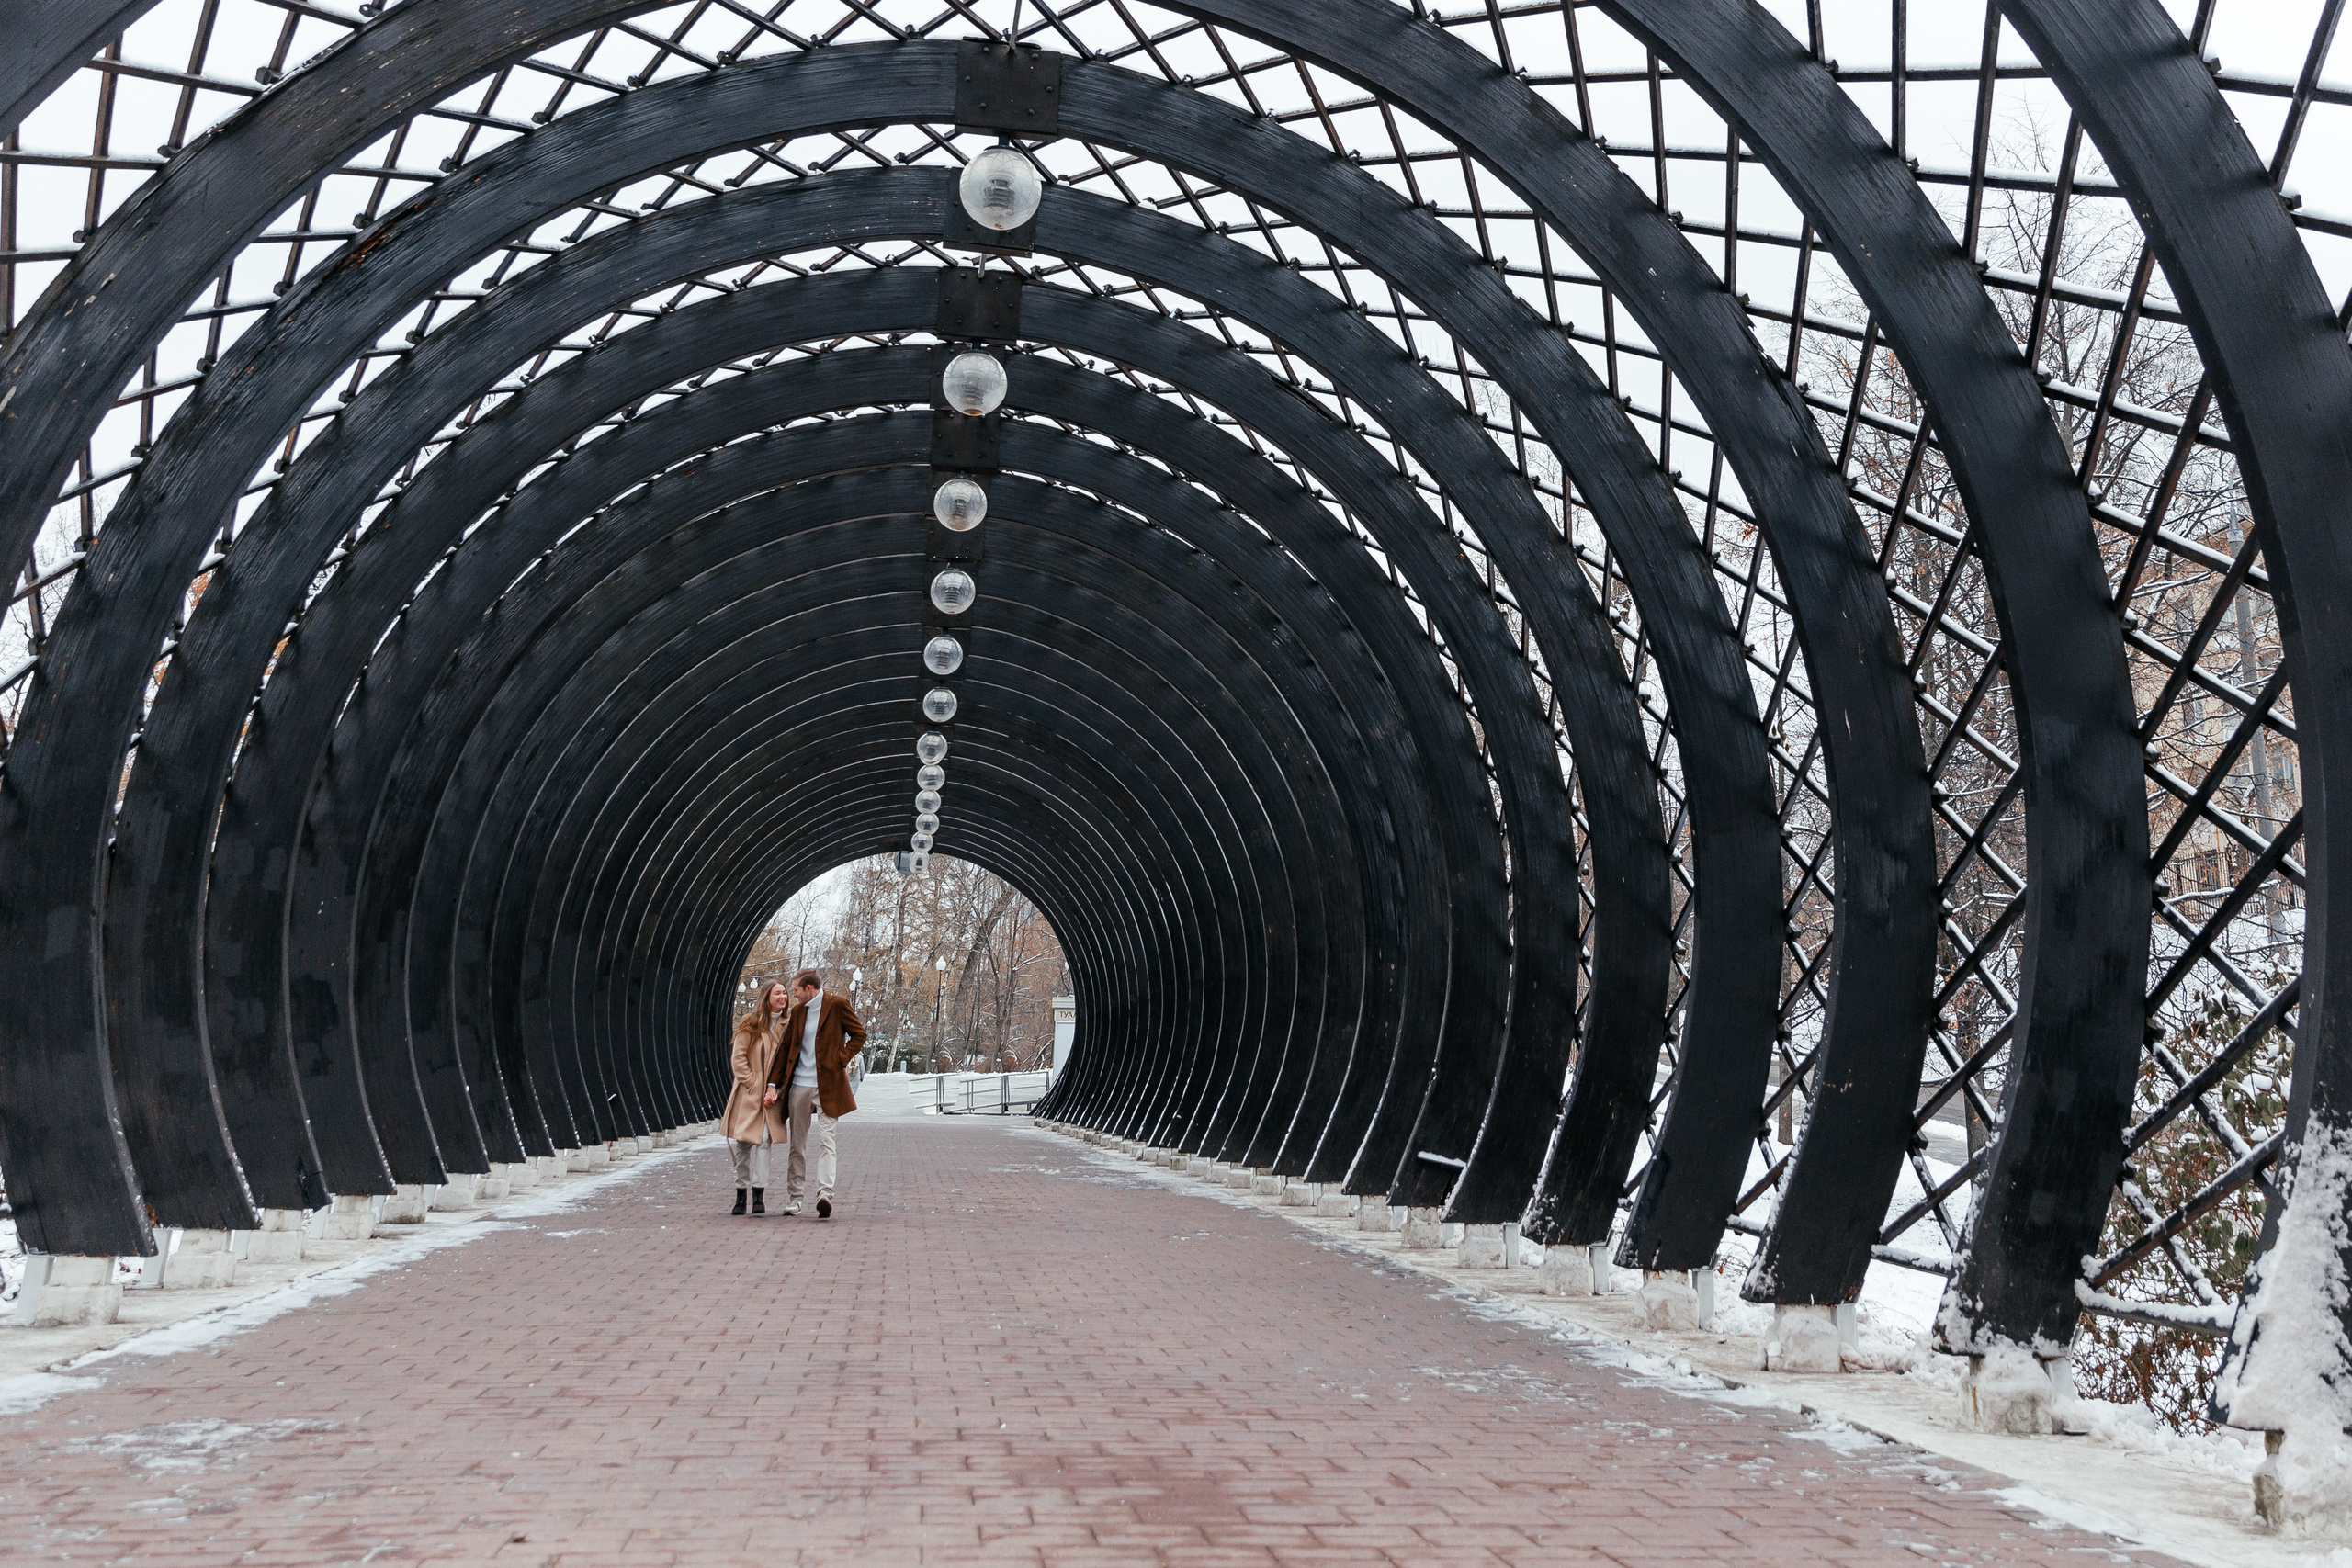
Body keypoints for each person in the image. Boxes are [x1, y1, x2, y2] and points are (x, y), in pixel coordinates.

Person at [763, 968, 865, 1217]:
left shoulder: (837, 1005)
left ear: (809, 988)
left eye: (796, 990)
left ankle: (824, 1193)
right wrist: (774, 1084)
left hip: (828, 1086)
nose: (793, 995)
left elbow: (859, 1035)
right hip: (799, 1086)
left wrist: (840, 1058)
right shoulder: (798, 1012)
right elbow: (786, 1050)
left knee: (827, 1141)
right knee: (798, 1145)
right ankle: (795, 1197)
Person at [723, 981, 789, 1215]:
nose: (783, 996)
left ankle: (759, 1194)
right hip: (749, 1094)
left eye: (785, 992)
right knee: (743, 1142)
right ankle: (741, 1192)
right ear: (767, 997)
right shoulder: (751, 1024)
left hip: (772, 1096)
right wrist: (751, 1082)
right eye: (778, 993)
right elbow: (738, 1057)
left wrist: (777, 1090)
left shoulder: (788, 1025)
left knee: (764, 1140)